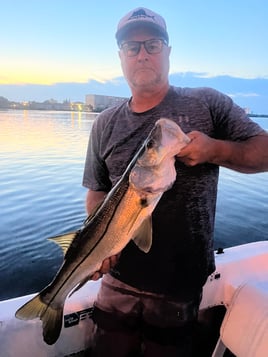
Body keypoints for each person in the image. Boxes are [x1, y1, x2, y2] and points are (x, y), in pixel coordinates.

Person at [82, 7, 268, 357]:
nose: (142, 54)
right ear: (120, 56)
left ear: (168, 51)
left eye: (153, 44)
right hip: (116, 281)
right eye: (132, 46)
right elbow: (97, 190)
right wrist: (101, 246)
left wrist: (216, 150)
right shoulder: (104, 123)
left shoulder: (207, 103)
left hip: (178, 287)